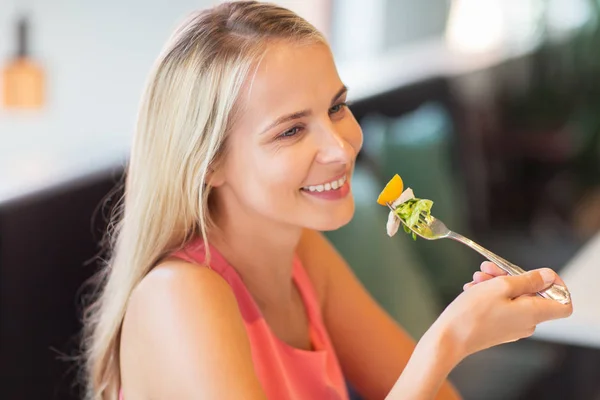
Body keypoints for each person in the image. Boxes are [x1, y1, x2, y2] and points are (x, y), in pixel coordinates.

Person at [80, 2, 573, 399]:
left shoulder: (303, 256)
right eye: (292, 130)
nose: (341, 148)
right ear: (209, 163)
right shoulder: (178, 296)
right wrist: (449, 342)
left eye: (336, 107)